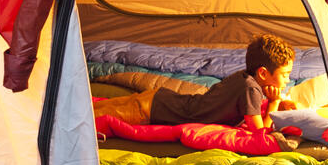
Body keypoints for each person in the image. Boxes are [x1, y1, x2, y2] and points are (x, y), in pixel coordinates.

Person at [93, 34, 298, 131]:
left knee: (93, 109)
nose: (287, 79)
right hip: (152, 110)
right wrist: (273, 103)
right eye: (285, 74)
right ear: (263, 73)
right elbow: (259, 133)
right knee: (88, 120)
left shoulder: (244, 78)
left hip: (159, 99)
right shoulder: (251, 89)